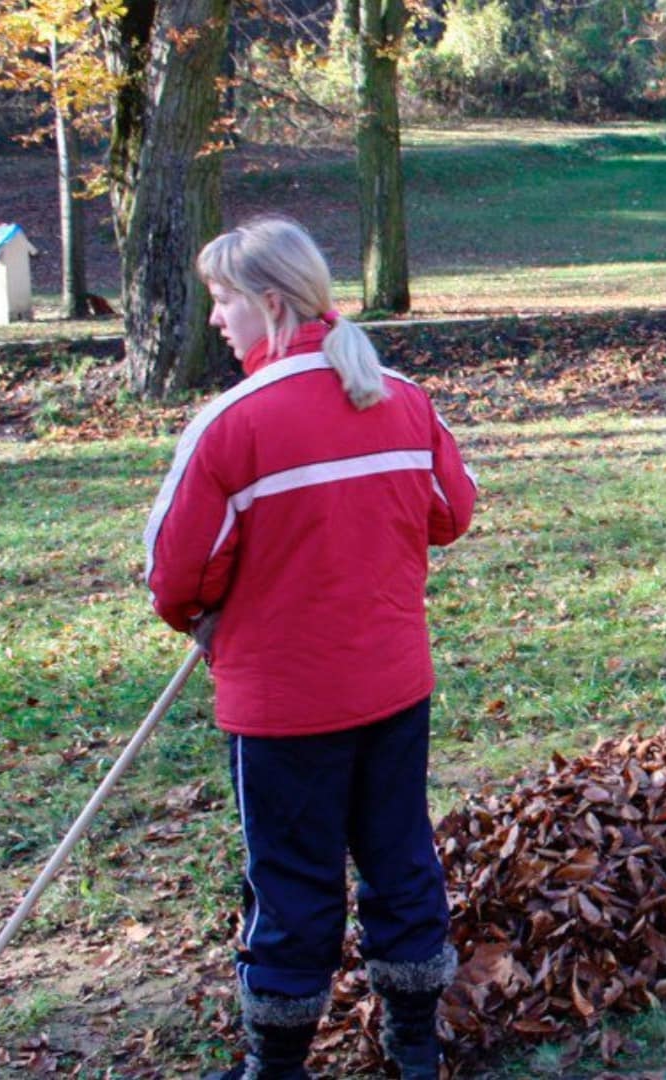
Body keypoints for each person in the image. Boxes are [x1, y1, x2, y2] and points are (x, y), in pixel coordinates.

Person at [142, 217, 478, 1080]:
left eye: (222, 300)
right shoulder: (400, 394)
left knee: (290, 880)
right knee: (401, 857)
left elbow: (175, 577)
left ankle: (278, 1065)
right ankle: (415, 1049)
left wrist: (212, 608)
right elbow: (451, 510)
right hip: (394, 685)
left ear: (268, 301)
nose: (216, 319)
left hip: (284, 706)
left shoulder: (231, 424)